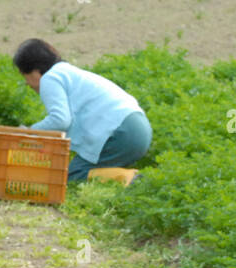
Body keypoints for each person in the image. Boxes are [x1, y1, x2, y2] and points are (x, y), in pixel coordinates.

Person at [12, 38, 152, 183]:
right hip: (138, 128)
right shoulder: (67, 72)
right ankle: (124, 177)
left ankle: (127, 178)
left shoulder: (49, 78)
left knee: (73, 175)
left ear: (34, 71)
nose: (27, 83)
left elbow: (60, 120)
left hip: (123, 133)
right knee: (85, 167)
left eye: (24, 76)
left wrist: (29, 132)